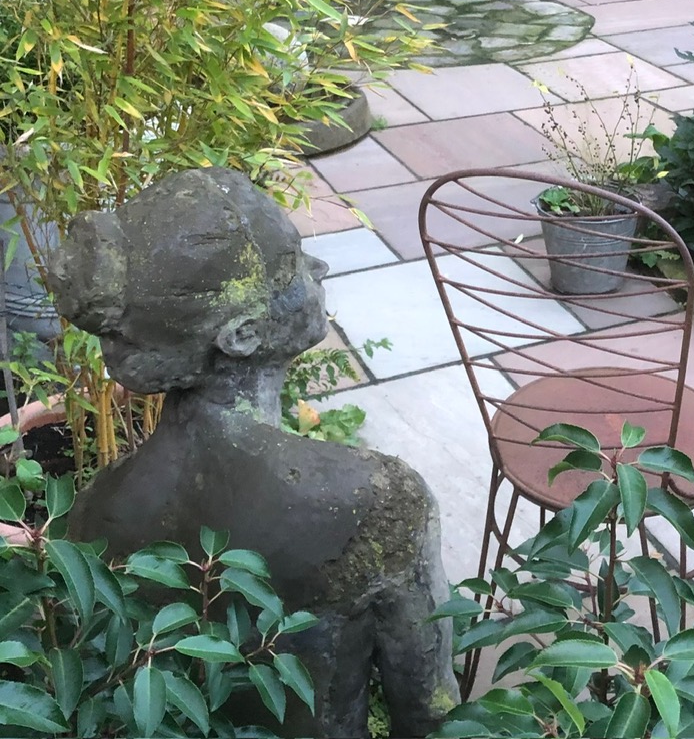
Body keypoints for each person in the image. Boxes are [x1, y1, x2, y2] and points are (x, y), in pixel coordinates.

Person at [52, 167, 458, 739]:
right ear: (241, 336)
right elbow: (431, 710)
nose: (318, 268)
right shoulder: (371, 501)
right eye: (291, 264)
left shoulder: (92, 510)